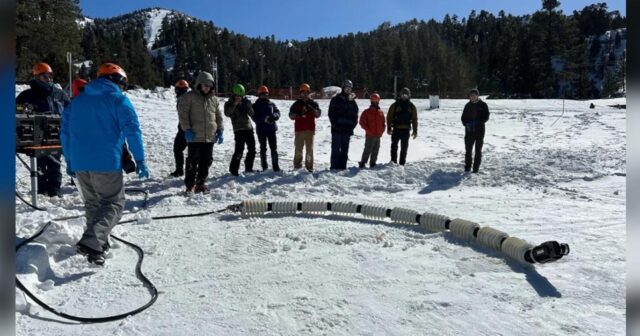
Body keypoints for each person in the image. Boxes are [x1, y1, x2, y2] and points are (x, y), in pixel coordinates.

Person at [61, 63, 148, 265]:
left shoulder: (76, 102)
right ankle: (93, 241)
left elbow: (64, 134)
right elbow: (132, 130)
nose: (123, 88)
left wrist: (70, 161)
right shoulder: (118, 100)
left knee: (93, 203)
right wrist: (140, 159)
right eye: (124, 84)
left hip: (81, 162)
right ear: (118, 80)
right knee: (114, 203)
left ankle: (96, 247)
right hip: (106, 161)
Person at [16, 62, 70, 197]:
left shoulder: (59, 94)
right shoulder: (26, 95)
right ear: (36, 77)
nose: (48, 79)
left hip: (56, 134)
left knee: (55, 163)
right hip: (35, 137)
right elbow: (16, 113)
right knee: (39, 163)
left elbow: (71, 111)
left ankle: (54, 189)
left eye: (50, 76)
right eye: (44, 76)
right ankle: (40, 190)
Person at [177, 71, 224, 192]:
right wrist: (187, 129)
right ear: (199, 84)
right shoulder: (189, 97)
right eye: (204, 85)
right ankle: (189, 185)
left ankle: (200, 183)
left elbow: (218, 116)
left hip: (209, 136)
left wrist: (220, 129)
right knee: (193, 161)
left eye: (209, 85)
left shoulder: (214, 99)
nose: (206, 88)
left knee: (207, 160)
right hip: (194, 136)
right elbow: (183, 115)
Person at [224, 83, 255, 176]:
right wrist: (234, 104)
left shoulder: (247, 102)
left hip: (248, 128)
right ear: (234, 94)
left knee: (252, 149)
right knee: (239, 150)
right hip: (238, 129)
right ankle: (233, 170)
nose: (239, 97)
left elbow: (252, 114)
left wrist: (246, 106)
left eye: (240, 96)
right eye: (237, 95)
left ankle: (249, 167)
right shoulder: (228, 103)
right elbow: (227, 113)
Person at [289, 83, 321, 172]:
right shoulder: (296, 104)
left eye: (306, 93)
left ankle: (309, 167)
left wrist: (315, 111)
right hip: (299, 130)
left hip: (310, 130)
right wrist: (297, 114)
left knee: (309, 150)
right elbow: (291, 115)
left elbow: (318, 114)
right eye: (303, 93)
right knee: (298, 149)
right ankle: (297, 165)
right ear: (300, 93)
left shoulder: (313, 103)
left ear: (309, 93)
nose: (305, 94)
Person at [328, 79, 359, 170]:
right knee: (335, 149)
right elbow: (331, 113)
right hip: (337, 129)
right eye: (346, 88)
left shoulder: (353, 102)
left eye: (350, 88)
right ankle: (334, 167)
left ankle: (342, 167)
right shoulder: (336, 99)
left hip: (347, 129)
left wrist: (352, 126)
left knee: (344, 150)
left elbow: (355, 115)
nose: (348, 90)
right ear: (343, 88)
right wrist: (335, 124)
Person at [251, 85, 281, 172]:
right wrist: (264, 119)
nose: (264, 96)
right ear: (259, 95)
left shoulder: (271, 104)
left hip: (271, 130)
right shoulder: (255, 106)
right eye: (262, 95)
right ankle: (264, 166)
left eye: (266, 95)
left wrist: (274, 116)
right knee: (263, 149)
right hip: (261, 131)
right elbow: (254, 118)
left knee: (273, 148)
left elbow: (277, 112)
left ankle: (275, 166)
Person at [461, 88, 490, 173]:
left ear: (478, 96)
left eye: (474, 95)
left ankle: (475, 169)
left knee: (478, 150)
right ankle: (467, 168)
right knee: (468, 150)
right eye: (471, 96)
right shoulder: (467, 105)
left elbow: (486, 116)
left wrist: (479, 123)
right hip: (469, 131)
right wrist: (466, 123)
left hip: (480, 131)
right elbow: (463, 118)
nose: (472, 97)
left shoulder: (483, 105)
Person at [386, 87, 418, 166]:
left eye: (406, 95)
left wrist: (415, 130)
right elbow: (389, 117)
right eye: (403, 95)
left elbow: (414, 119)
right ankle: (393, 162)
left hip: (406, 130)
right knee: (394, 146)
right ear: (400, 95)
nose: (404, 97)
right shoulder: (395, 105)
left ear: (409, 96)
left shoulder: (412, 107)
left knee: (404, 148)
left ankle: (402, 164)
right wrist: (389, 128)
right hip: (396, 129)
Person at [169, 79, 190, 177]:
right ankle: (185, 170)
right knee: (191, 151)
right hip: (186, 127)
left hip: (184, 128)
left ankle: (180, 170)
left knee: (178, 149)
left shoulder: (182, 99)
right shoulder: (188, 98)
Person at [358, 93, 385, 168]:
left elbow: (383, 123)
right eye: (373, 100)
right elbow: (361, 122)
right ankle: (363, 162)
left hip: (378, 135)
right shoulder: (367, 112)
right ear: (371, 101)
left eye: (376, 100)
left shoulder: (381, 112)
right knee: (367, 149)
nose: (375, 102)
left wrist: (382, 131)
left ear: (378, 101)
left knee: (376, 150)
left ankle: (373, 163)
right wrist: (368, 130)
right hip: (370, 135)